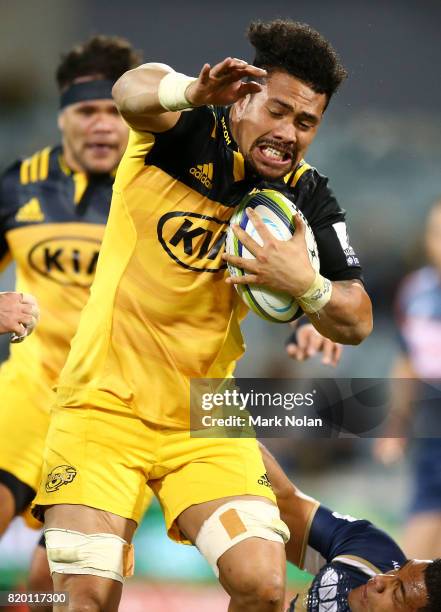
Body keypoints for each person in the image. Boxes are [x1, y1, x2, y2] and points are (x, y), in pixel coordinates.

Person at [33, 20, 372, 611]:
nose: (288, 134)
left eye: (306, 122)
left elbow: (358, 317)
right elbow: (132, 90)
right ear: (243, 95)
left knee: (263, 587)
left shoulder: (305, 194)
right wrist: (189, 90)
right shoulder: (181, 128)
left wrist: (308, 286)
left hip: (204, 413)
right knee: (85, 596)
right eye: (277, 111)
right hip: (102, 405)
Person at [0, 34, 141, 603]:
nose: (103, 124)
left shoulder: (164, 194)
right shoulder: (17, 186)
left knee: (47, 586)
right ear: (63, 115)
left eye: (115, 110)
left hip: (113, 412)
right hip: (28, 394)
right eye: (87, 110)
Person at [262, 444, 441, 611]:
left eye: (396, 594)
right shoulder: (371, 553)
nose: (379, 580)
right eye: (397, 571)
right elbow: (284, 501)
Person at [374, 198, 441, 560]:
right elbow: (407, 364)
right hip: (430, 446)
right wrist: (394, 427)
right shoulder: (416, 292)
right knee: (413, 564)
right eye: (435, 233)